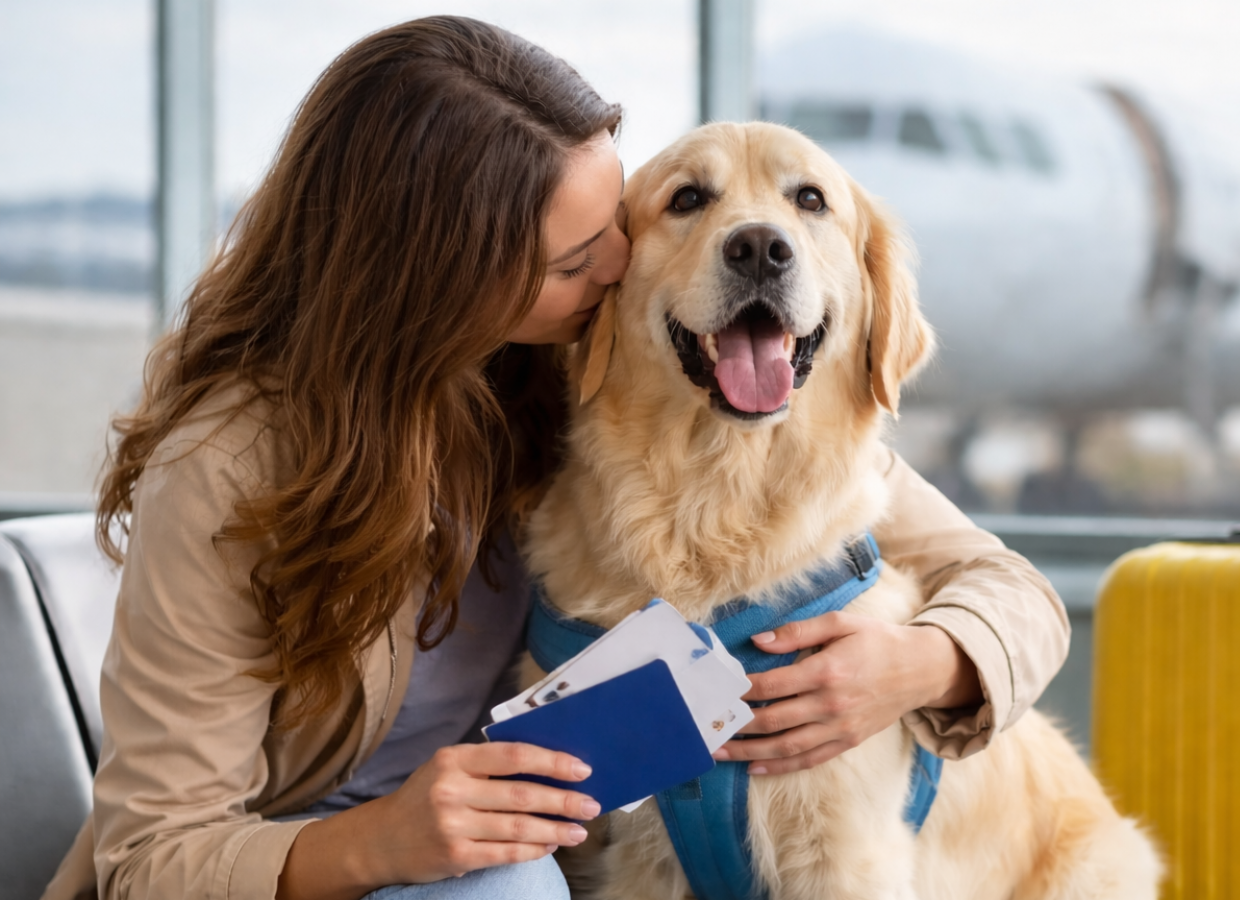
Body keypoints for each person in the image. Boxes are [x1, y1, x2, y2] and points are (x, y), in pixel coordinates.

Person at [41, 16, 1069, 900]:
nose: (621, 273)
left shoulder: (589, 387)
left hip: (526, 849)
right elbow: (149, 856)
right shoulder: (226, 466)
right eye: (578, 263)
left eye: (613, 230)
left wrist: (914, 664)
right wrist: (379, 840)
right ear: (440, 277)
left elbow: (1007, 587)